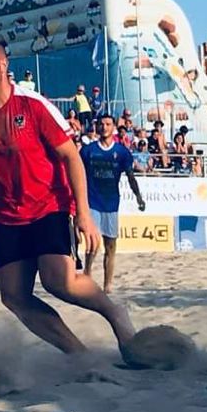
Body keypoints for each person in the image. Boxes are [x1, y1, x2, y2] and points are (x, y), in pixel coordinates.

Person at [0, 36, 135, 357]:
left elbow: (71, 157)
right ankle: (78, 354)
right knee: (13, 296)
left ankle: (115, 312)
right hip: (8, 217)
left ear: (3, 65)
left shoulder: (33, 105)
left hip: (50, 206)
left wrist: (83, 214)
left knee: (58, 282)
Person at [80, 115, 146, 294]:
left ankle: (108, 284)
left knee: (111, 245)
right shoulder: (87, 150)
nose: (104, 127)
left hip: (111, 203)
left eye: (108, 124)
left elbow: (131, 176)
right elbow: (77, 174)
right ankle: (87, 272)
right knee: (93, 242)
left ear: (114, 127)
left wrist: (138, 196)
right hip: (91, 201)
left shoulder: (122, 152)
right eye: (101, 124)